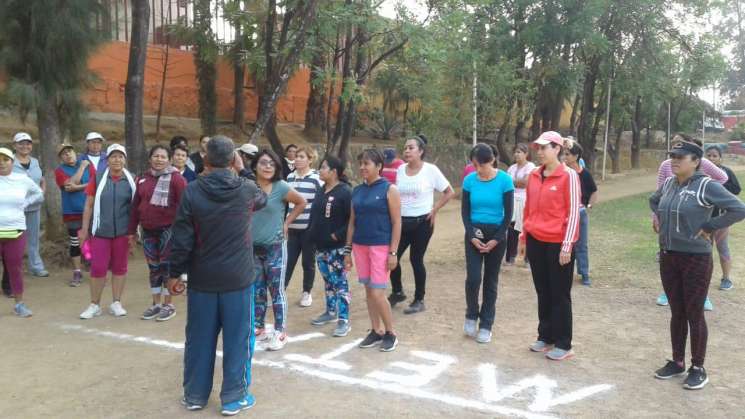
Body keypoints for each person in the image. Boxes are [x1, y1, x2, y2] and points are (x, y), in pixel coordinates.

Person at [167, 135, 267, 414]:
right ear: (233, 159)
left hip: (203, 280)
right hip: (238, 280)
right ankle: (234, 397)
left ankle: (195, 396)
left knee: (199, 339)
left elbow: (182, 237)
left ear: (206, 160)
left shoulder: (193, 191)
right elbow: (263, 197)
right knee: (238, 339)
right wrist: (244, 168)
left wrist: (175, 273)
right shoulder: (246, 188)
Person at [650, 141, 745, 390]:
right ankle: (677, 361)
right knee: (677, 311)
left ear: (696, 161)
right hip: (669, 256)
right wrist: (660, 218)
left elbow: (738, 208)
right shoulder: (670, 183)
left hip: (696, 258)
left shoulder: (706, 185)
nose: (674, 159)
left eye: (681, 156)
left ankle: (698, 367)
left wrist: (710, 226)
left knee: (694, 313)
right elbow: (654, 200)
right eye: (672, 155)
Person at [521, 131, 581, 361]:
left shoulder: (569, 176)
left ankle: (564, 343)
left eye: (545, 147)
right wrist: (524, 237)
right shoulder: (535, 175)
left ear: (557, 148)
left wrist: (567, 245)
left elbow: (574, 212)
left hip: (558, 243)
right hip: (536, 240)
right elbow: (528, 208)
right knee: (542, 290)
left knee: (559, 293)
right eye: (538, 147)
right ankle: (545, 336)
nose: (540, 151)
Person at [654, 135, 727, 309]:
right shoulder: (666, 165)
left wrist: (705, 198)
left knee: (698, 266)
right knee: (670, 262)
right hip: (671, 222)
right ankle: (668, 292)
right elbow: (657, 193)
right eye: (673, 150)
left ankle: (704, 296)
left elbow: (722, 178)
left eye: (680, 145)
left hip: (695, 225)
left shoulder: (700, 162)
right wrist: (658, 216)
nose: (675, 158)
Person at [389, 135, 454, 314]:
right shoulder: (400, 169)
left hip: (422, 223)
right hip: (401, 223)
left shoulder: (431, 170)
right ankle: (398, 291)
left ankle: (419, 299)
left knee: (416, 259)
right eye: (405, 148)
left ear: (421, 151)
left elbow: (449, 192)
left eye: (411, 147)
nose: (407, 151)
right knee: (392, 256)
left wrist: (435, 209)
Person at [344, 148, 402, 352]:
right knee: (369, 291)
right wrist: (347, 250)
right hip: (360, 246)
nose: (362, 167)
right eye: (360, 163)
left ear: (379, 166)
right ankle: (376, 330)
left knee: (378, 293)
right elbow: (352, 222)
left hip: (381, 246)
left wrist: (393, 252)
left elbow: (397, 223)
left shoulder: (389, 189)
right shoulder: (357, 191)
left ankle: (391, 332)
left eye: (367, 164)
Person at [251, 149, 307, 351]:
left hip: (275, 247)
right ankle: (258, 328)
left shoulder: (281, 187)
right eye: (263, 163)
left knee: (276, 290)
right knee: (257, 290)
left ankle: (280, 331)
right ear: (255, 165)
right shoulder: (249, 187)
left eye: (272, 164)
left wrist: (287, 222)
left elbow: (302, 202)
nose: (267, 167)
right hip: (252, 249)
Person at [461, 144, 514, 343]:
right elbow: (465, 212)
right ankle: (471, 314)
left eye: (481, 165)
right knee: (473, 278)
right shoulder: (469, 181)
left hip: (497, 235)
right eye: (475, 165)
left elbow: (509, 214)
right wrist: (472, 235)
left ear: (491, 160)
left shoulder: (505, 180)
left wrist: (495, 240)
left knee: (490, 281)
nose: (478, 170)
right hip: (474, 233)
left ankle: (486, 324)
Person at [128, 145, 187, 322]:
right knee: (153, 268)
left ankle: (169, 304)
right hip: (148, 231)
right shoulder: (142, 179)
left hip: (169, 230)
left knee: (167, 267)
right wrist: (130, 231)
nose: (159, 159)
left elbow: (186, 206)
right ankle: (156, 304)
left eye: (163, 157)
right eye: (156, 156)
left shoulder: (177, 180)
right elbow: (134, 208)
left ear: (169, 160)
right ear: (150, 159)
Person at [78, 144, 136, 319]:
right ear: (107, 159)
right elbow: (88, 204)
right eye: (113, 156)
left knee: (120, 267)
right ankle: (94, 304)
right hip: (100, 231)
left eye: (120, 156)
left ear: (125, 160)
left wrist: (134, 232)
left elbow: (135, 208)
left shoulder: (132, 179)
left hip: (123, 232)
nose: (117, 160)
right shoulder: (98, 177)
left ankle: (116, 302)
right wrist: (84, 229)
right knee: (98, 267)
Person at [308, 155, 353, 337]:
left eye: (324, 167)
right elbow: (315, 215)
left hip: (338, 248)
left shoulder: (345, 192)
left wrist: (337, 235)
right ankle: (330, 312)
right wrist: (311, 233)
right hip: (320, 246)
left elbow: (352, 219)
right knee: (328, 281)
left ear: (334, 172)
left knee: (340, 283)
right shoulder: (321, 190)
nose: (320, 170)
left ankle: (344, 319)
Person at [0, 147, 44, 317]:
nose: (2, 163)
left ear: (12, 162)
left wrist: (25, 204)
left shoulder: (22, 179)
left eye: (6, 159)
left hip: (16, 232)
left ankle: (19, 304)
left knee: (15, 269)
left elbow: (38, 193)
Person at [285, 146, 323, 307]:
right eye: (296, 156)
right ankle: (281, 291)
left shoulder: (316, 178)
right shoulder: (289, 177)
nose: (297, 159)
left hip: (309, 229)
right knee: (288, 262)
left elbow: (321, 202)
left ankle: (306, 293)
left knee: (308, 263)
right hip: (291, 228)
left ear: (310, 159)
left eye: (302, 156)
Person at [54, 143, 94, 287]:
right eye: (64, 153)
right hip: (72, 211)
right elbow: (69, 185)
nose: (68, 154)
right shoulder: (60, 171)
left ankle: (90, 262)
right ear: (60, 158)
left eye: (70, 151)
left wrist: (78, 187)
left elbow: (95, 183)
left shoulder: (89, 166)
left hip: (90, 209)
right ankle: (77, 270)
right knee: (75, 242)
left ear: (74, 152)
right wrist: (82, 168)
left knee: (90, 238)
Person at [704, 145, 741, 291]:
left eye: (714, 156)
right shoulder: (700, 172)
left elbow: (736, 189)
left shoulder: (726, 172)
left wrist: (719, 186)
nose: (712, 158)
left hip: (721, 219)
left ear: (720, 158)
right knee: (704, 250)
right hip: (703, 220)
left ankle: (726, 279)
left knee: (723, 248)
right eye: (709, 155)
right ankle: (703, 278)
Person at [11, 132, 48, 277]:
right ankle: (14, 269)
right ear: (14, 145)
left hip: (34, 207)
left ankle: (36, 266)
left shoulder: (35, 162)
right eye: (21, 143)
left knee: (33, 238)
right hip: (15, 208)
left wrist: (42, 192)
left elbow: (42, 179)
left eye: (28, 143)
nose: (25, 146)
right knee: (14, 240)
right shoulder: (9, 162)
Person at [562, 139, 598, 286]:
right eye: (564, 154)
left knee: (581, 244)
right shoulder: (562, 173)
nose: (565, 157)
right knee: (564, 243)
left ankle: (584, 273)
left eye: (568, 154)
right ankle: (564, 272)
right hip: (564, 214)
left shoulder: (584, 174)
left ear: (576, 156)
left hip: (580, 213)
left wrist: (588, 205)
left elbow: (594, 191)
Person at [505, 143, 536, 265]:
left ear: (526, 154)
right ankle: (510, 257)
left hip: (525, 201)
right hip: (512, 200)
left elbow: (526, 183)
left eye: (519, 152)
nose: (516, 154)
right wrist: (516, 182)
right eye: (515, 152)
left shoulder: (530, 167)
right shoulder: (511, 168)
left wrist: (513, 182)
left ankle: (527, 257)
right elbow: (507, 184)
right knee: (511, 228)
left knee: (525, 228)